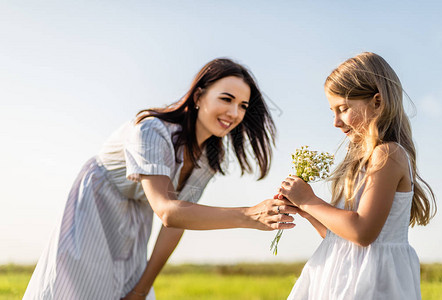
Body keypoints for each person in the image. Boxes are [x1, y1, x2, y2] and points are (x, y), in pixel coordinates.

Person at [24, 58, 299, 300]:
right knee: (74, 289)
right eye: (226, 99)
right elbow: (167, 211)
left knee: (128, 289)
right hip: (95, 208)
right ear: (199, 96)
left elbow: (176, 223)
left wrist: (141, 290)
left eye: (242, 106)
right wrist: (249, 215)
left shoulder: (207, 159)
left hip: (136, 217)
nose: (234, 113)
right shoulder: (151, 130)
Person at [278, 52, 436, 299]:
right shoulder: (361, 160)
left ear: (377, 102)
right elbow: (343, 237)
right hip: (341, 278)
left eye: (343, 109)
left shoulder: (388, 154)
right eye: (332, 111)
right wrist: (306, 210)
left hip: (371, 284)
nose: (336, 122)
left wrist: (310, 200)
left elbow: (362, 232)